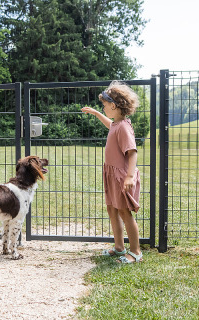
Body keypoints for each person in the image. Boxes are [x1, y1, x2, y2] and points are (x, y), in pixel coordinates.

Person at [81, 81, 142, 263]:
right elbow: (109, 124)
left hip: (121, 176)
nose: (104, 108)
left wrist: (130, 176)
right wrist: (96, 113)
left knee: (124, 212)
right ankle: (119, 247)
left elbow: (132, 153)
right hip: (111, 174)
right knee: (112, 209)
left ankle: (136, 252)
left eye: (105, 106)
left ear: (114, 106)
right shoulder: (117, 123)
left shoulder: (123, 127)